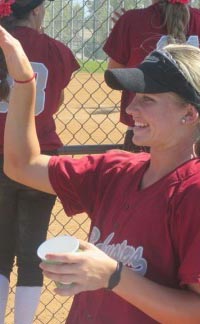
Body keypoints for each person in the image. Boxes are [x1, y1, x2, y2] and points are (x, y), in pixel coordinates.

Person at [3, 19, 200, 323]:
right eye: (135, 97)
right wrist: (24, 80)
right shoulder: (116, 170)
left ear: (189, 114)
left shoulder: (192, 193)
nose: (131, 109)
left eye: (148, 99)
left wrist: (113, 275)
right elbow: (22, 165)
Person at [0, 1, 79, 323]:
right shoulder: (55, 49)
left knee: (0, 252)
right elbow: (56, 99)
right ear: (37, 10)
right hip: (39, 155)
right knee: (33, 251)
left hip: (1, 154)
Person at [103, 0, 200, 152]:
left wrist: (125, 30)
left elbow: (114, 70)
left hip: (144, 129)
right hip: (194, 132)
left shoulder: (131, 20)